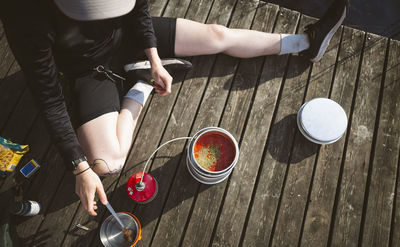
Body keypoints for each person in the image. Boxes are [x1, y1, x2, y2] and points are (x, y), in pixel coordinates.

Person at [0, 0, 348, 216]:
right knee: (109, 163)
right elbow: (48, 97)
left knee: (216, 35)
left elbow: (138, 9)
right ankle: (139, 87)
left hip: (130, 38)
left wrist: (153, 57)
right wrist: (79, 169)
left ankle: (304, 43)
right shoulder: (22, 13)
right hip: (89, 70)